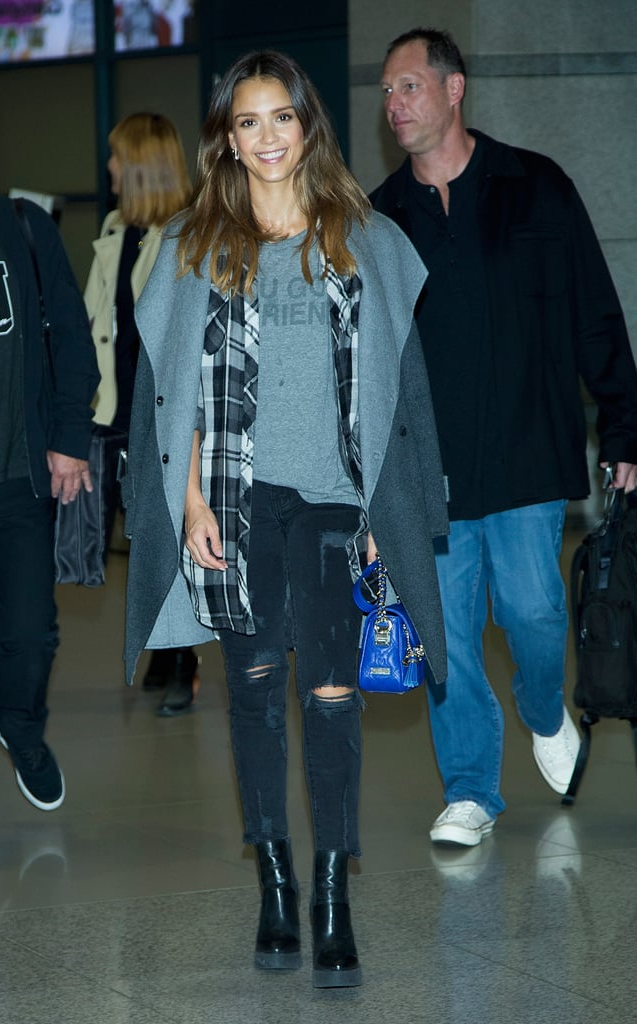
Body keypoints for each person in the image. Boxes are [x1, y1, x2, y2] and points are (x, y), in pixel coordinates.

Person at [122, 50, 448, 987]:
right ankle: (273, 884)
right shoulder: (195, 242)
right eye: (246, 122)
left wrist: (393, 505)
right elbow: (170, 393)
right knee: (258, 689)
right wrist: (186, 499)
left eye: (281, 119)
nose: (265, 139)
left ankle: (332, 891)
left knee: (331, 694)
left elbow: (400, 389)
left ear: (307, 125)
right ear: (226, 136)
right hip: (234, 495)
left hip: (340, 498)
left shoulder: (367, 237)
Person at [371, 27, 637, 847]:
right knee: (445, 641)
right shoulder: (379, 220)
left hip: (526, 453)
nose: (394, 105)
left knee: (531, 612)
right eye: (386, 92)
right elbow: (370, 359)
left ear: (455, 90)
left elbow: (593, 309)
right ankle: (470, 791)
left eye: (408, 87)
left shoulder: (538, 188)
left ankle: (538, 706)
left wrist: (624, 421)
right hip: (432, 473)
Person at [0, 101, 100, 854]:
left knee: (29, 637)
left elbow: (71, 331)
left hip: (18, 475)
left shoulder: (19, 226)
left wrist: (71, 436)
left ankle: (22, 727)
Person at [84, 111, 199, 715]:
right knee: (134, 536)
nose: (108, 169)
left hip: (163, 415)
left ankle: (182, 660)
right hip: (114, 408)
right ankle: (162, 650)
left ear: (141, 166)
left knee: (168, 541)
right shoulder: (112, 227)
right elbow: (95, 323)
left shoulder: (186, 237)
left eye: (117, 158)